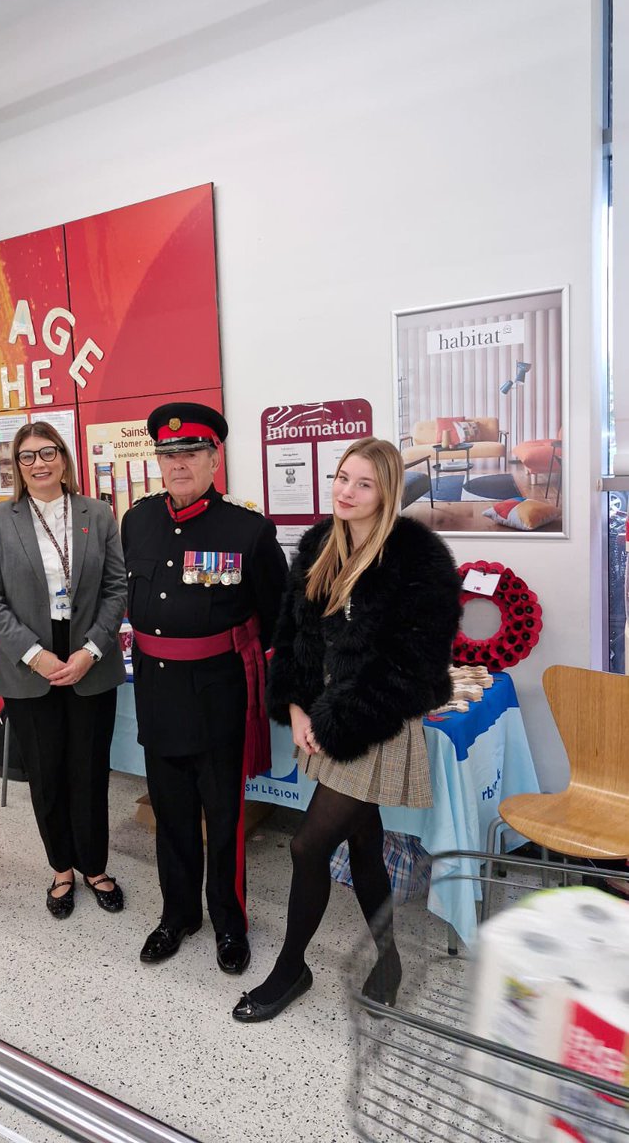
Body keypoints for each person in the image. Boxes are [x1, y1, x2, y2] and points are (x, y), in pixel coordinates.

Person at [232, 437, 462, 1022]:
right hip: (327, 714)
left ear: (387, 493)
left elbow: (414, 668)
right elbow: (293, 638)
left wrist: (339, 722)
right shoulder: (317, 546)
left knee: (309, 847)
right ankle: (388, 960)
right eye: (342, 477)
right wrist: (300, 709)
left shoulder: (417, 559)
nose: (346, 491)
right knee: (363, 843)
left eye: (363, 483)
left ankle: (291, 968)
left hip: (373, 724)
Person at [121, 402, 288, 974]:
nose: (178, 464)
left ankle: (228, 922)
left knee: (223, 818)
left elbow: (277, 618)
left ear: (215, 457)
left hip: (219, 697)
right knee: (170, 816)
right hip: (158, 695)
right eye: (168, 455)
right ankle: (178, 915)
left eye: (190, 452)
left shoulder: (249, 531)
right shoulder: (137, 521)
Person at [0, 422, 127, 919]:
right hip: (28, 664)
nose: (38, 464)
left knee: (89, 771)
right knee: (46, 772)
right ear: (16, 467)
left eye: (47, 452)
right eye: (26, 457)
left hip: (89, 661)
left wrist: (92, 651)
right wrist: (35, 655)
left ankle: (94, 865)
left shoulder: (96, 514)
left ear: (63, 457)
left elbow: (116, 589)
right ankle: (61, 868)